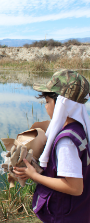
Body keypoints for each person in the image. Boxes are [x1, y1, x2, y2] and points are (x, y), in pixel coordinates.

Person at [13, 69, 90, 222]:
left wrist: (34, 176)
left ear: (62, 104)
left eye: (47, 102)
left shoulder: (66, 142)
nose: (46, 106)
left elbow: (75, 187)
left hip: (65, 215)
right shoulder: (79, 131)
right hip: (79, 210)